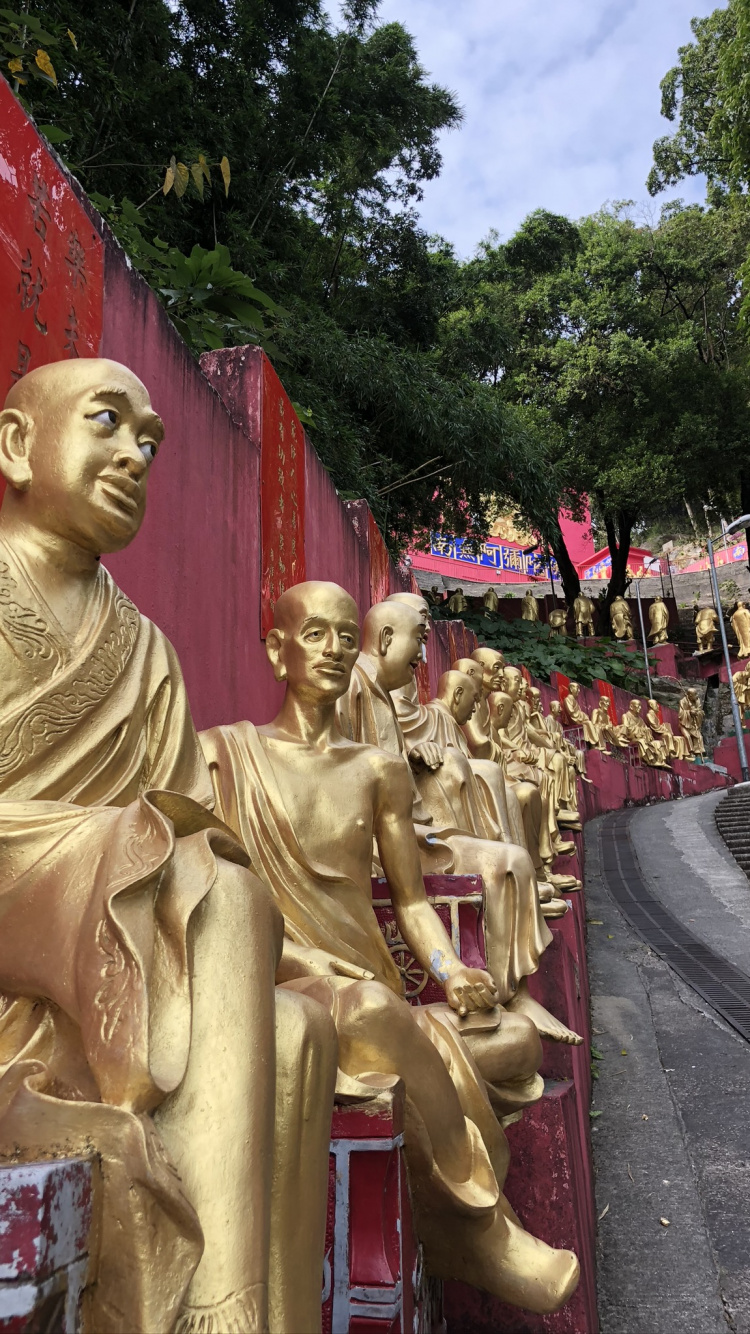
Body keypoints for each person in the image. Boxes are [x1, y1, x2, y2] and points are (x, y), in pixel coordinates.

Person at [0, 359, 337, 1334]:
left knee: (297, 1032)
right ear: (17, 444)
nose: (136, 456)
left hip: (107, 929)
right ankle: (218, 1317)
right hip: (29, 890)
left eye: (150, 441)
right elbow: (176, 851)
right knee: (211, 890)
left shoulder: (145, 650)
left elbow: (189, 818)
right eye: (108, 422)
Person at [200, 581, 580, 1315]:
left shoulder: (378, 771)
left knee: (512, 1042)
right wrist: (297, 961)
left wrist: (451, 970)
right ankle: (483, 1227)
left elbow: (410, 903)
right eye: (315, 634)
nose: (335, 650)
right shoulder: (224, 758)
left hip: (375, 989)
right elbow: (209, 895)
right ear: (277, 651)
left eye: (347, 637)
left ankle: (436, 1125)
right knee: (372, 1013)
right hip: (281, 987)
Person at [336, 598, 580, 1042]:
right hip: (387, 840)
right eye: (418, 640)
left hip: (410, 827)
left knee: (510, 856)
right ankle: (507, 996)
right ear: (387, 638)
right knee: (507, 863)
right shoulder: (352, 685)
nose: (422, 656)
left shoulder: (380, 692)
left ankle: (513, 993)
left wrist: (410, 758)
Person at [619, 700, 670, 768]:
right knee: (642, 742)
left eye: (640, 706)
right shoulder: (625, 716)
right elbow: (626, 728)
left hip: (644, 738)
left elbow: (647, 729)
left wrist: (646, 730)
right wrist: (640, 730)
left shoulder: (640, 719)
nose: (640, 708)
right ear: (631, 706)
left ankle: (660, 761)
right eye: (638, 706)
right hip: (634, 738)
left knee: (658, 743)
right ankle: (651, 760)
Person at [561, 681, 601, 748]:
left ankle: (594, 744)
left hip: (578, 718)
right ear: (571, 689)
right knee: (588, 723)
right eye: (577, 688)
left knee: (592, 724)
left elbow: (578, 712)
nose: (579, 691)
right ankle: (594, 743)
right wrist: (582, 716)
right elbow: (571, 712)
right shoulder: (567, 699)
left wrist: (583, 715)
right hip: (574, 720)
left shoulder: (574, 700)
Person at [679, 688, 706, 759]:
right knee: (687, 737)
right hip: (684, 725)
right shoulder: (683, 701)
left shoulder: (697, 700)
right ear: (690, 695)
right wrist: (689, 713)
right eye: (695, 694)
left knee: (699, 737)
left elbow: (701, 711)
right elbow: (681, 714)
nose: (697, 696)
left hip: (693, 725)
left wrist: (696, 712)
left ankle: (698, 753)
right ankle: (690, 753)